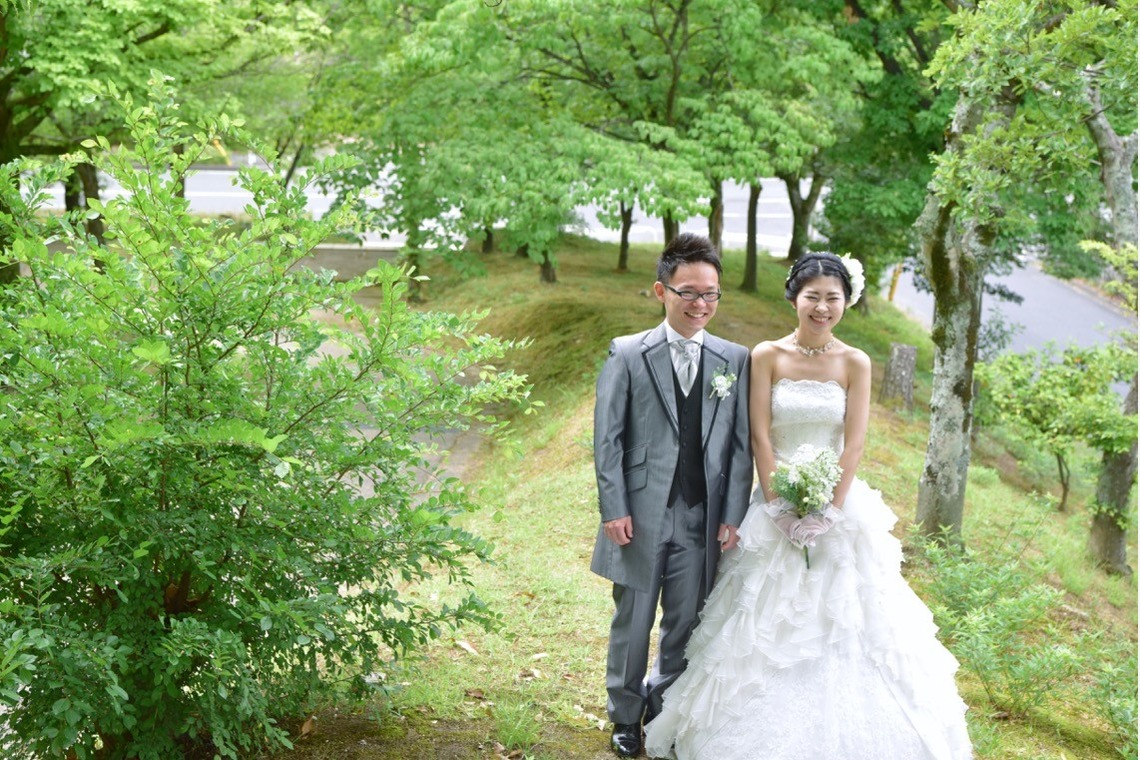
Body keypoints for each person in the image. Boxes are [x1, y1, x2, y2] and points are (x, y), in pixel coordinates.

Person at [644, 251, 973, 760]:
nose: (822, 307)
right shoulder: (766, 355)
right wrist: (778, 505)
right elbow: (759, 435)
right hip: (774, 500)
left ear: (846, 302)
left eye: (832, 298)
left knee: (848, 617)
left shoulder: (856, 362)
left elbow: (854, 445)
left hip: (837, 503)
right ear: (794, 298)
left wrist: (828, 511)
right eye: (812, 297)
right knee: (757, 617)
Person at [592, 233, 754, 758]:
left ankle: (664, 713)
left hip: (702, 514)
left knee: (686, 619)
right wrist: (614, 507)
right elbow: (608, 438)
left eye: (711, 293)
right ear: (661, 291)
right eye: (688, 292)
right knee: (633, 619)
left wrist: (733, 514)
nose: (700, 303)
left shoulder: (735, 359)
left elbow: (740, 447)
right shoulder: (628, 353)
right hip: (640, 513)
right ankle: (625, 717)